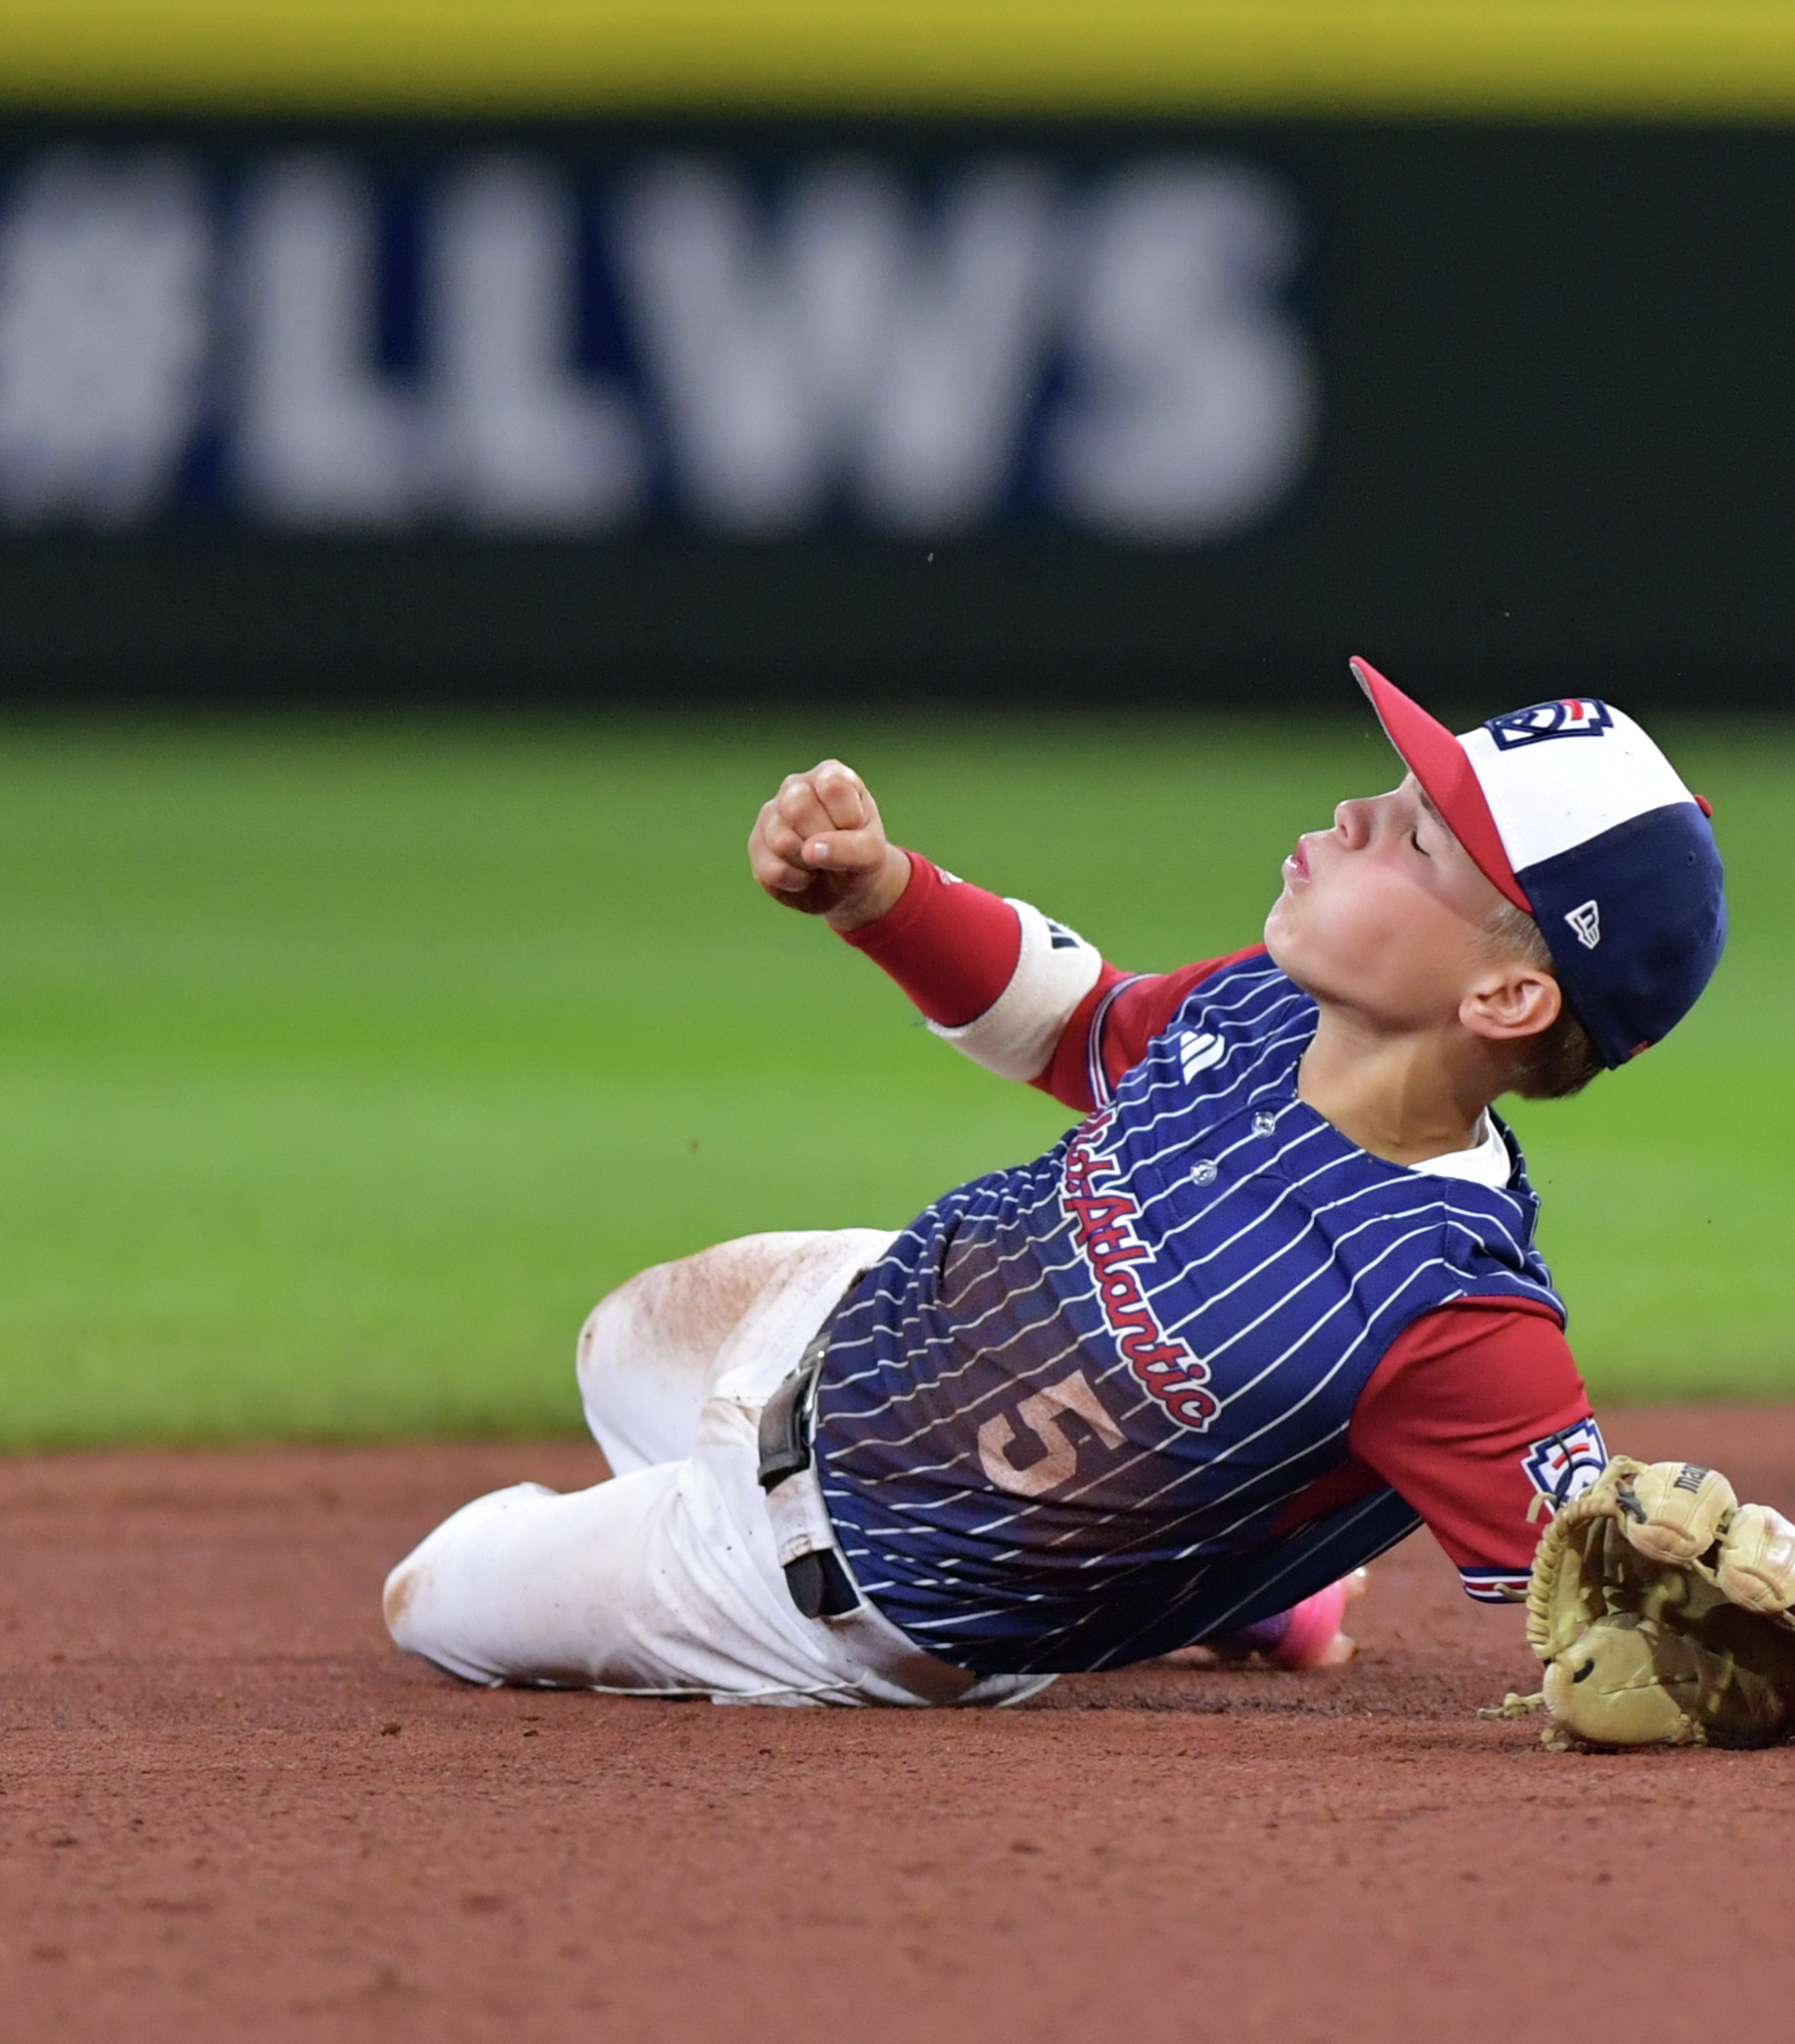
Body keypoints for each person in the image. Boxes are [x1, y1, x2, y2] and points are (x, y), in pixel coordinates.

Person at [380, 660, 1725, 1701]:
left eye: (1418, 838)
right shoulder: (1269, 1009)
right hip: (866, 1323)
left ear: (1503, 992)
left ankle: (1167, 1562)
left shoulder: (1445, 1308)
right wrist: (882, 894)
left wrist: (1727, 1629)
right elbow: (1083, 1023)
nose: (1353, 811)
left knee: (432, 1598)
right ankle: (1232, 1581)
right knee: (618, 1336)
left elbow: (1607, 1605)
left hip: (833, 1593)